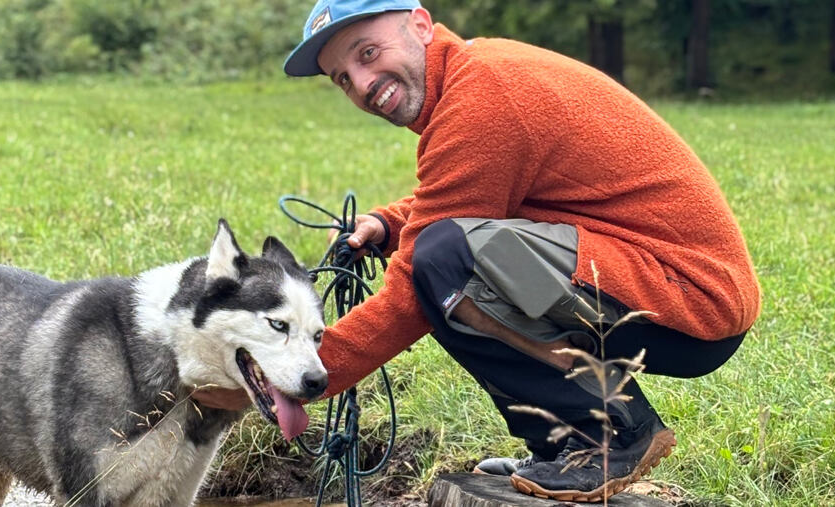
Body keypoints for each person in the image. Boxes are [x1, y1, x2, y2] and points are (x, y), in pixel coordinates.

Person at [194, 0, 761, 502]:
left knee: (444, 264)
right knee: (444, 255)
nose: (363, 83)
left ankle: (609, 434)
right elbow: (486, 190)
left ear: (419, 24)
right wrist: (389, 224)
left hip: (690, 301)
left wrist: (301, 373)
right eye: (343, 77)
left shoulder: (485, 99)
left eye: (368, 53)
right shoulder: (475, 75)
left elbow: (418, 282)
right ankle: (567, 445)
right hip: (658, 281)